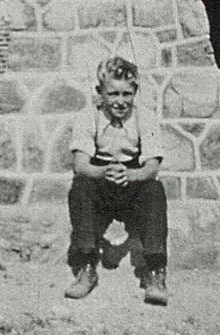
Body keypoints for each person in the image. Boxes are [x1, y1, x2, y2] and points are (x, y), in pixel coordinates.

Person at [65, 56, 168, 305]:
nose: (120, 102)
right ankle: (87, 267)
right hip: (100, 177)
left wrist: (131, 175)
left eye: (126, 94)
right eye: (113, 94)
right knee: (80, 188)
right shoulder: (87, 116)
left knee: (155, 190)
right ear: (100, 92)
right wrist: (103, 172)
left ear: (135, 92)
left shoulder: (145, 117)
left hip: (133, 179)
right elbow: (81, 165)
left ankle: (155, 271)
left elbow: (152, 166)